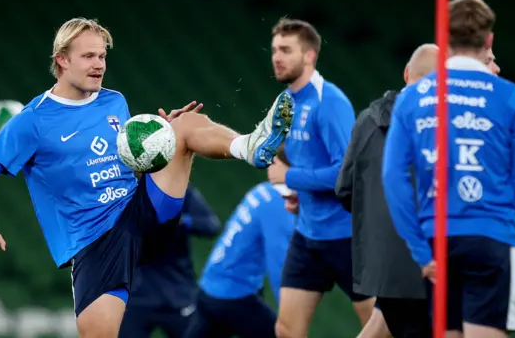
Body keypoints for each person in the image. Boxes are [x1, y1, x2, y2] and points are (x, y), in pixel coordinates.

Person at [0, 17, 295, 338]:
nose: (99, 64)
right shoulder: (32, 121)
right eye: (89, 56)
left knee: (184, 125)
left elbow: (131, 166)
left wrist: (162, 142)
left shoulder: (114, 100)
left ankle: (250, 146)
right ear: (62, 60)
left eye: (102, 56)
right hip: (96, 242)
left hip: (140, 214)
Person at [382, 0, 515, 338]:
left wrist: (421, 251)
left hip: (436, 239)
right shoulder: (513, 97)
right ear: (488, 39)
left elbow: (392, 179)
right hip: (493, 238)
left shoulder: (412, 98)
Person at [265, 18, 373, 338]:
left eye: (286, 50)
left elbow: (347, 173)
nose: (277, 57)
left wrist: (291, 177)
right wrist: (300, 195)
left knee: (380, 328)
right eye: (274, 50)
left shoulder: (330, 102)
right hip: (308, 235)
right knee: (286, 329)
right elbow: (314, 162)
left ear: (310, 56)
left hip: (347, 237)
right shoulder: (288, 103)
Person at [336, 44, 438, 338]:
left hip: (380, 267)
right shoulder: (443, 127)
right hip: (423, 269)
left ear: (407, 74)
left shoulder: (368, 119)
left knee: (379, 327)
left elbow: (344, 190)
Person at [183, 150, 296, 338]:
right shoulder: (278, 204)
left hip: (210, 288)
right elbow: (281, 268)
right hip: (232, 296)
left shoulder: (263, 190)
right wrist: (292, 320)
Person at [119, 183, 221, 338]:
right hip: (137, 295)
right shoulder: (125, 192)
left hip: (177, 293)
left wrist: (180, 221)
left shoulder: (180, 191)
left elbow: (211, 225)